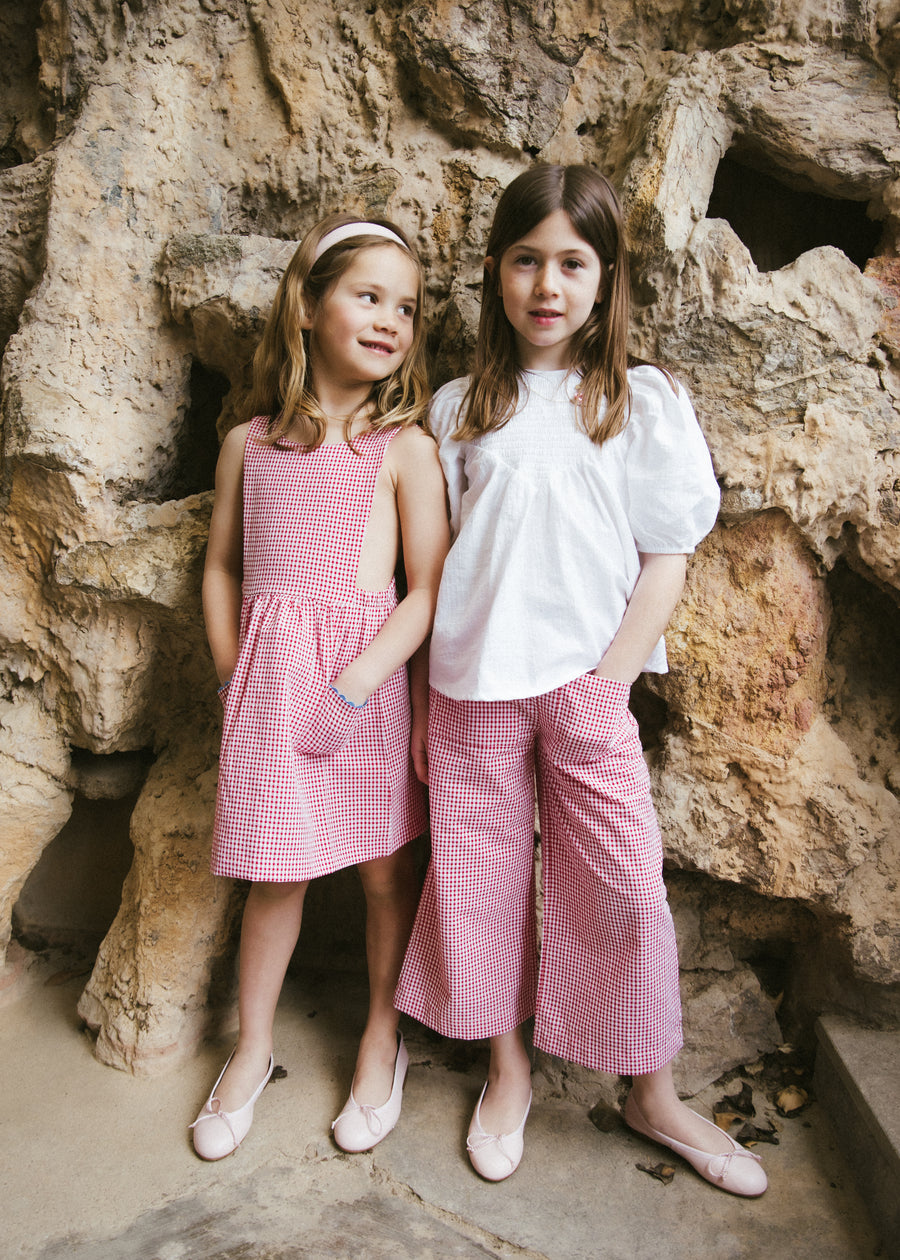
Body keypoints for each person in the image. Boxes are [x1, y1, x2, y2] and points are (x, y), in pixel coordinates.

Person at [394, 165, 767, 1197]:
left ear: (605, 278)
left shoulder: (638, 402)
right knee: (478, 879)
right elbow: (435, 569)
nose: (547, 285)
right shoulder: (459, 409)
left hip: (586, 685)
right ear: (495, 272)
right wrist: (422, 702)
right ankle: (506, 1068)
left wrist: (609, 681)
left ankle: (651, 1092)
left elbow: (668, 555)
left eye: (571, 263)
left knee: (624, 881)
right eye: (527, 261)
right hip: (470, 687)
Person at [192, 214, 450, 1161]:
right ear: (307, 307)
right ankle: (252, 1047)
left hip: (363, 688)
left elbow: (427, 590)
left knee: (385, 873)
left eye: (406, 308)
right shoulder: (248, 444)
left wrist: (355, 684)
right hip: (270, 690)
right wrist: (235, 670)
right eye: (367, 296)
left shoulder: (403, 448)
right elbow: (221, 566)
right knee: (277, 871)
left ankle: (382, 1036)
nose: (389, 320)